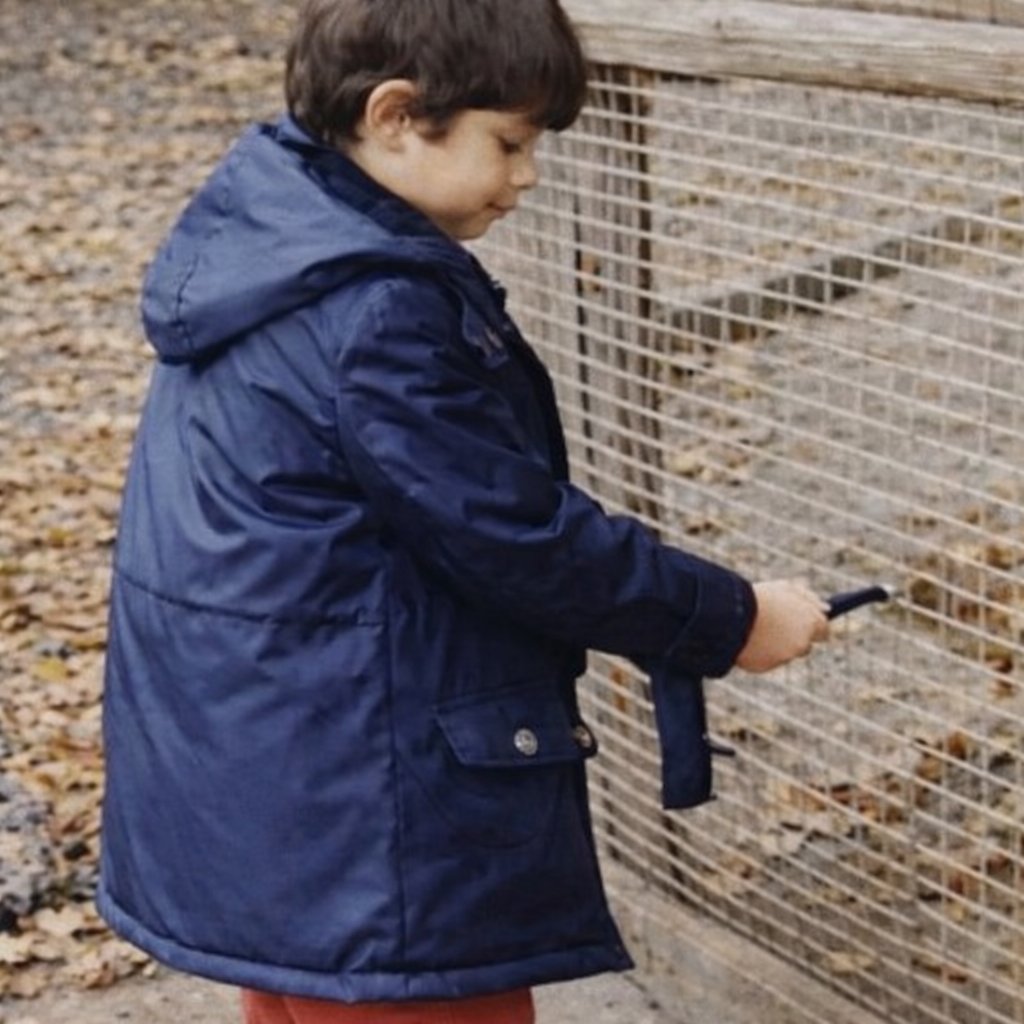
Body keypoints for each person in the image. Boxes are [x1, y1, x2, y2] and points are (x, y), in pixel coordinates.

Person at [96, 1, 829, 1022]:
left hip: (263, 777)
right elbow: (517, 533)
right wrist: (733, 618)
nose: (525, 176)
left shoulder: (271, 242)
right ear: (398, 116)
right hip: (367, 815)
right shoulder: (375, 310)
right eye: (510, 142)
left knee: (300, 997)